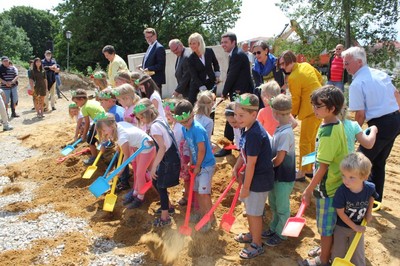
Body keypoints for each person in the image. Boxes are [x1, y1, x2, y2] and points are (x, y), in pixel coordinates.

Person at [342, 46, 400, 204]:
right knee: (379, 162)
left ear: (359, 62)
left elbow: (360, 115)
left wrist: (354, 134)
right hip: (395, 121)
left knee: (358, 162)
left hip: (380, 124)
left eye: (347, 63)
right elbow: (397, 95)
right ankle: (375, 199)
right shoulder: (380, 73)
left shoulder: (357, 83)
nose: (344, 67)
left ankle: (355, 199)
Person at [301, 85, 348, 266]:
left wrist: (308, 189)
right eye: (313, 105)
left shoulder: (328, 132)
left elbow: (323, 167)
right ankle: (325, 249)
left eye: (318, 106)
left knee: (326, 228)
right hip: (336, 182)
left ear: (332, 108)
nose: (314, 109)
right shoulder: (333, 123)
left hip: (327, 188)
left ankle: (323, 259)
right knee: (328, 225)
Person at [231, 93, 274, 259]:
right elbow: (243, 153)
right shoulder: (246, 128)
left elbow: (252, 163)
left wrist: (246, 188)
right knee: (250, 210)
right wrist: (236, 167)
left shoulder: (255, 134)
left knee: (255, 213)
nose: (237, 118)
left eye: (241, 115)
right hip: (252, 178)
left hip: (259, 181)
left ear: (254, 115)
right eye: (235, 114)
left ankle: (257, 244)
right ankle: (252, 233)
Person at [134, 98, 180, 226]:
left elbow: (162, 147)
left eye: (141, 118)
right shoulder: (159, 120)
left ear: (146, 115)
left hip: (168, 158)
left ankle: (165, 217)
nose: (141, 121)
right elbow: (163, 139)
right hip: (171, 155)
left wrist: (154, 167)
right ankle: (168, 206)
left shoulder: (154, 127)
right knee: (156, 181)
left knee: (160, 185)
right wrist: (152, 141)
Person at [96, 113, 156, 209]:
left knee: (140, 174)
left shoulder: (122, 137)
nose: (103, 133)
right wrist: (119, 146)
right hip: (137, 146)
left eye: (103, 130)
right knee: (136, 172)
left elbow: (127, 156)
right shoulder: (116, 127)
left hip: (146, 147)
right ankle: (136, 191)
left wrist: (121, 169)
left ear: (111, 126)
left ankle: (140, 197)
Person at [278, 50, 322, 180]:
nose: (282, 67)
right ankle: (309, 169)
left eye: (283, 64)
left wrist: (292, 115)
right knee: (311, 142)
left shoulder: (293, 77)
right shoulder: (306, 65)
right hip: (320, 108)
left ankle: (302, 172)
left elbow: (295, 99)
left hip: (310, 110)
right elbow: (319, 77)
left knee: (304, 143)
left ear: (290, 61)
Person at [174, 99, 216, 232]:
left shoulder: (197, 129)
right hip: (197, 164)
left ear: (193, 114)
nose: (186, 123)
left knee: (204, 193)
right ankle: (200, 213)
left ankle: (210, 218)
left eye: (187, 120)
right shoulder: (185, 128)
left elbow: (202, 150)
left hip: (206, 165)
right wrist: (191, 162)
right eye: (182, 122)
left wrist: (197, 165)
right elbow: (192, 148)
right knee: (197, 191)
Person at [331, 152, 378, 266]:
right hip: (341, 227)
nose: (346, 180)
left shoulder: (369, 188)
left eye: (351, 177)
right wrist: (355, 227)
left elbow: (372, 196)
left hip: (358, 225)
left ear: (364, 177)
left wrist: (369, 212)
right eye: (344, 175)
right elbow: (341, 213)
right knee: (338, 252)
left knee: (358, 255)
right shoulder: (341, 192)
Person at [264, 94, 295, 247]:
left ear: (275, 113)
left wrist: (265, 167)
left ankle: (281, 234)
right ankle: (274, 228)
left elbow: (279, 159)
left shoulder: (285, 133)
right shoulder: (281, 129)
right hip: (277, 176)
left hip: (283, 177)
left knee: (282, 207)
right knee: (274, 204)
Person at [216, 32, 254, 157]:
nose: (223, 45)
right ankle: (238, 145)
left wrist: (224, 92)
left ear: (233, 42)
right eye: (222, 42)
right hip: (239, 92)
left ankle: (228, 147)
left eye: (226, 42)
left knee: (231, 117)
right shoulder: (235, 54)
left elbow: (232, 75)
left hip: (240, 94)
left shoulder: (237, 55)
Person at [163, 99, 191, 206]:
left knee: (187, 177)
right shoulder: (176, 124)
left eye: (169, 114)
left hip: (185, 156)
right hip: (182, 155)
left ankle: (187, 196)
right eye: (166, 114)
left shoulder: (179, 127)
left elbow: (178, 141)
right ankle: (187, 191)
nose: (167, 116)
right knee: (186, 177)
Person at [71, 89, 105, 165]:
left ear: (82, 99)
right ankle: (101, 154)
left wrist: (84, 135)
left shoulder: (84, 108)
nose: (76, 104)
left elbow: (87, 122)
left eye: (76, 102)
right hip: (106, 121)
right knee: (99, 138)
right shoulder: (92, 101)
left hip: (99, 123)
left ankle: (94, 157)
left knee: (90, 140)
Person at [187, 33, 221, 105]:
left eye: (194, 43)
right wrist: (201, 87)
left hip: (211, 83)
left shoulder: (209, 51)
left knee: (211, 106)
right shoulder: (190, 58)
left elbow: (215, 63)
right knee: (196, 106)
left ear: (200, 43)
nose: (191, 46)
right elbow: (194, 75)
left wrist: (217, 75)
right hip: (198, 85)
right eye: (190, 43)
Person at [252, 41, 284, 108]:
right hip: (263, 100)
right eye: (254, 53)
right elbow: (258, 86)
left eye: (258, 52)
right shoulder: (255, 68)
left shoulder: (276, 64)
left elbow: (280, 83)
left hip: (277, 98)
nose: (256, 55)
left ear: (266, 50)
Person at [140, 28, 166, 92]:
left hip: (155, 80)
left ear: (155, 36)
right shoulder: (150, 47)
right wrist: (142, 65)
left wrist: (148, 68)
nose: (148, 39)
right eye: (146, 37)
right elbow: (151, 61)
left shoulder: (159, 48)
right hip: (149, 79)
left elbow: (161, 65)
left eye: (150, 37)